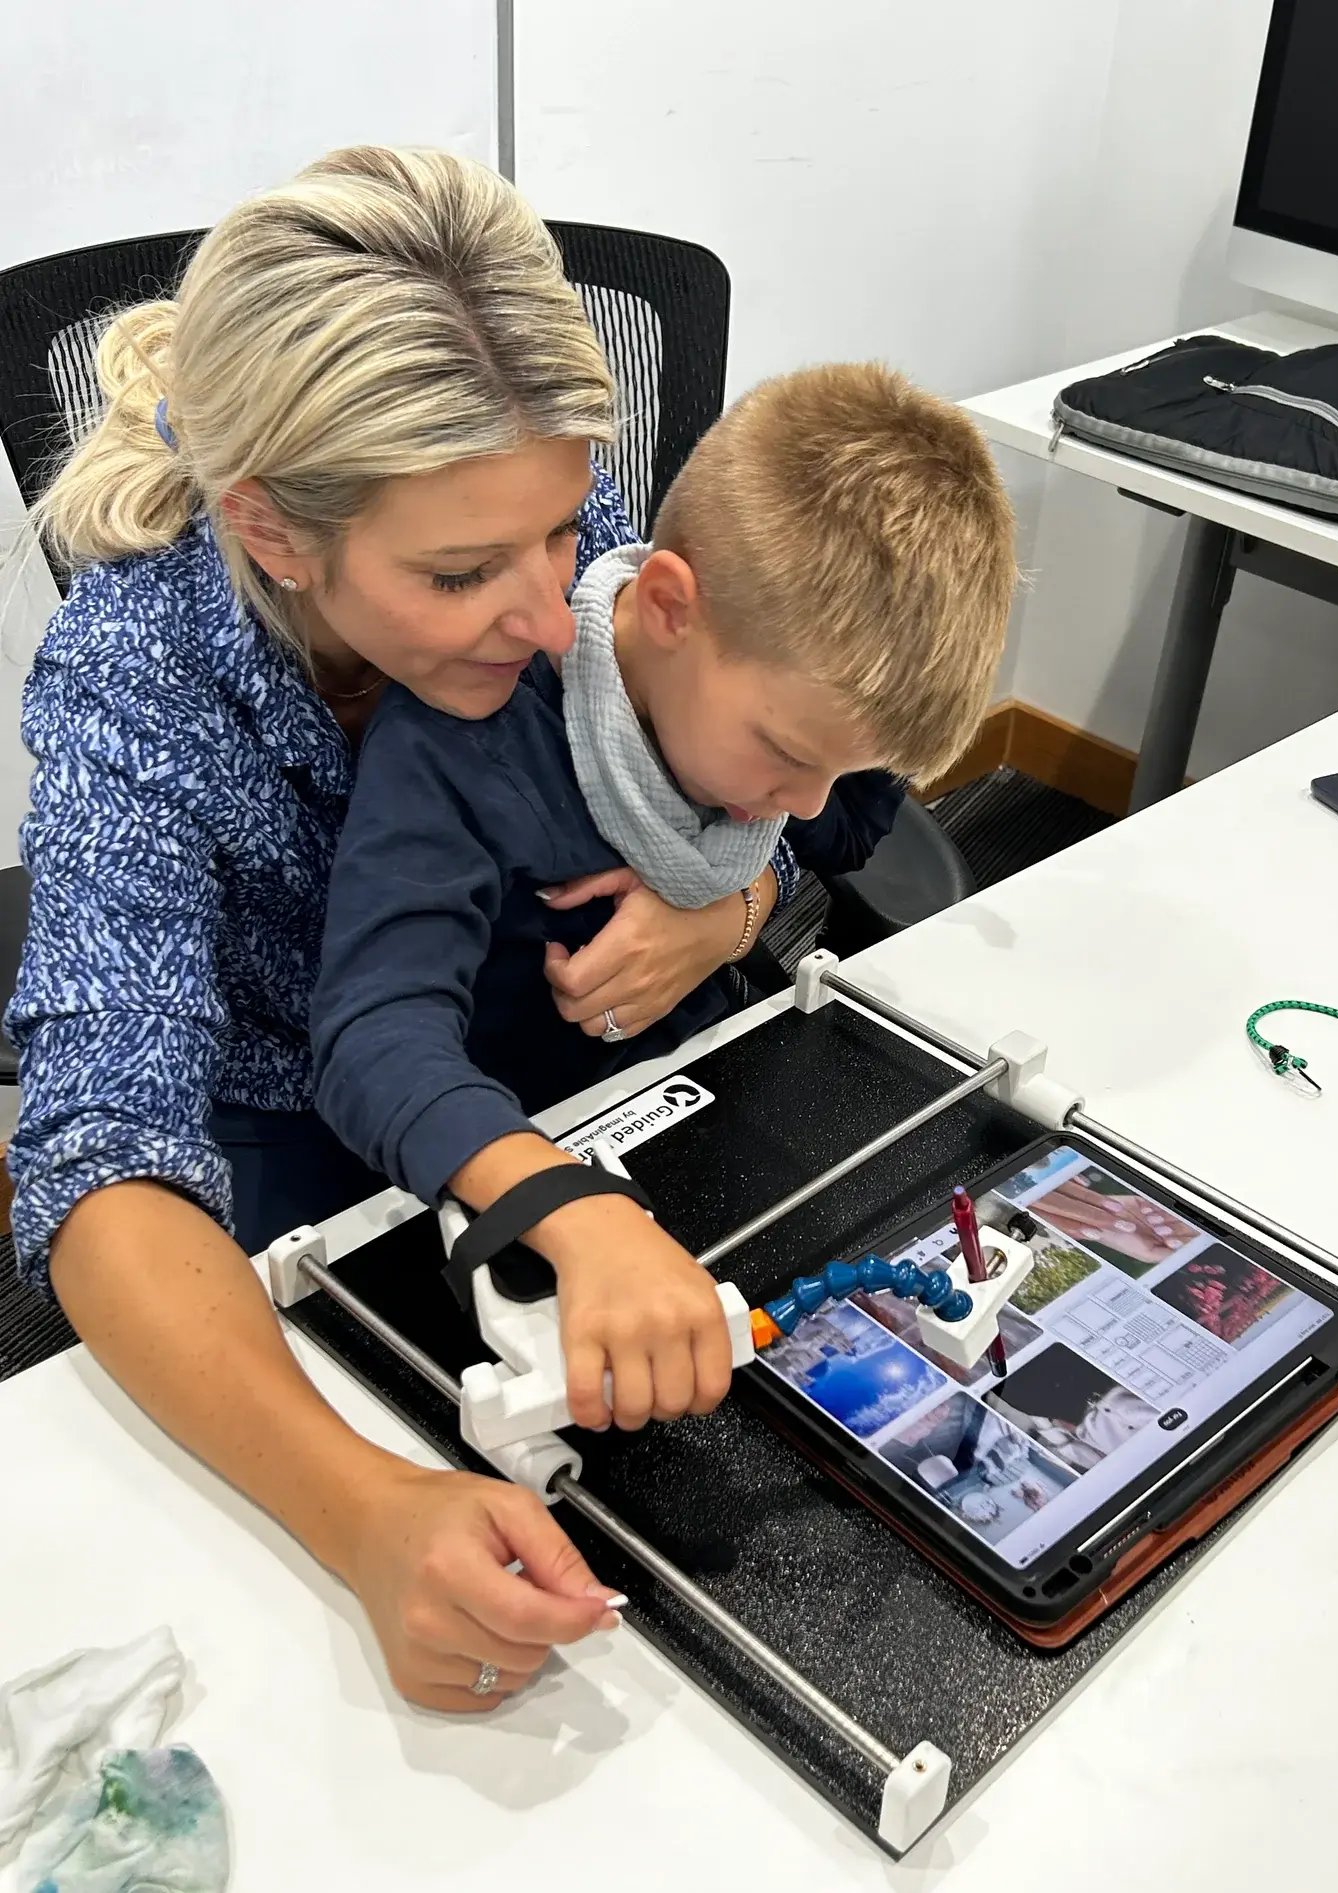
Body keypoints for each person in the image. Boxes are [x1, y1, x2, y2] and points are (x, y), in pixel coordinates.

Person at [4, 145, 827, 1715]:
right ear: (275, 530)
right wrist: (363, 1513)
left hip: (581, 1082)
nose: (546, 611)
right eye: (459, 573)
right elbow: (100, 1167)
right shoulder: (139, 682)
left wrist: (731, 911)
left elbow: (770, 774)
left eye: (564, 527)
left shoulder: (565, 538)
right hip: (310, 1161)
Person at [311, 361, 1017, 1434]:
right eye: (785, 757)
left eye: (839, 770)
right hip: (495, 1183)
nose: (805, 806)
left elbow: (853, 817)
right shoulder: (462, 744)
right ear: (673, 608)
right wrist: (564, 1203)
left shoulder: (792, 705)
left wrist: (738, 901)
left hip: (691, 1101)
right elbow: (371, 1039)